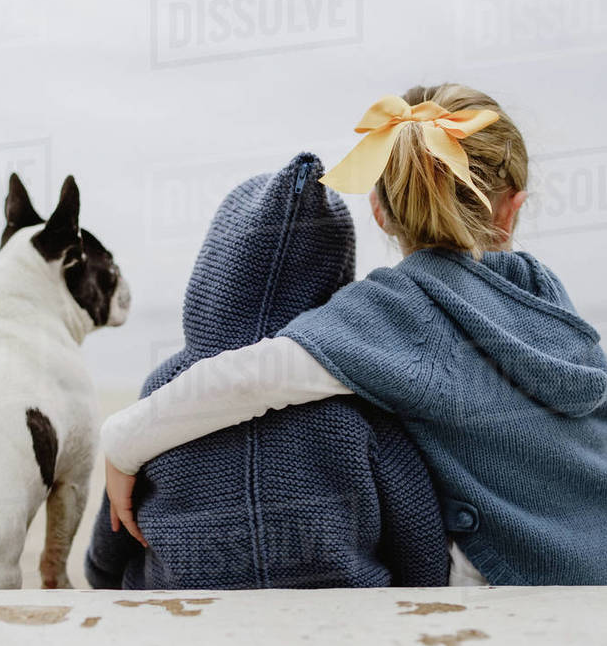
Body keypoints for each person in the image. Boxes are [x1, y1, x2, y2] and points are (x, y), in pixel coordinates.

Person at [100, 84, 607, 586]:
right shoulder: (544, 296)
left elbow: (251, 378)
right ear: (512, 209)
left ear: (378, 211)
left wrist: (124, 443)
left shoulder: (400, 308)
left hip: (524, 575)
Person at [85, 155, 451, 589]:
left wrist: (100, 571)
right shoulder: (361, 398)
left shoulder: (164, 393)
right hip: (341, 621)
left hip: (182, 618)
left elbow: (109, 545)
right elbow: (421, 548)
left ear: (215, 270)